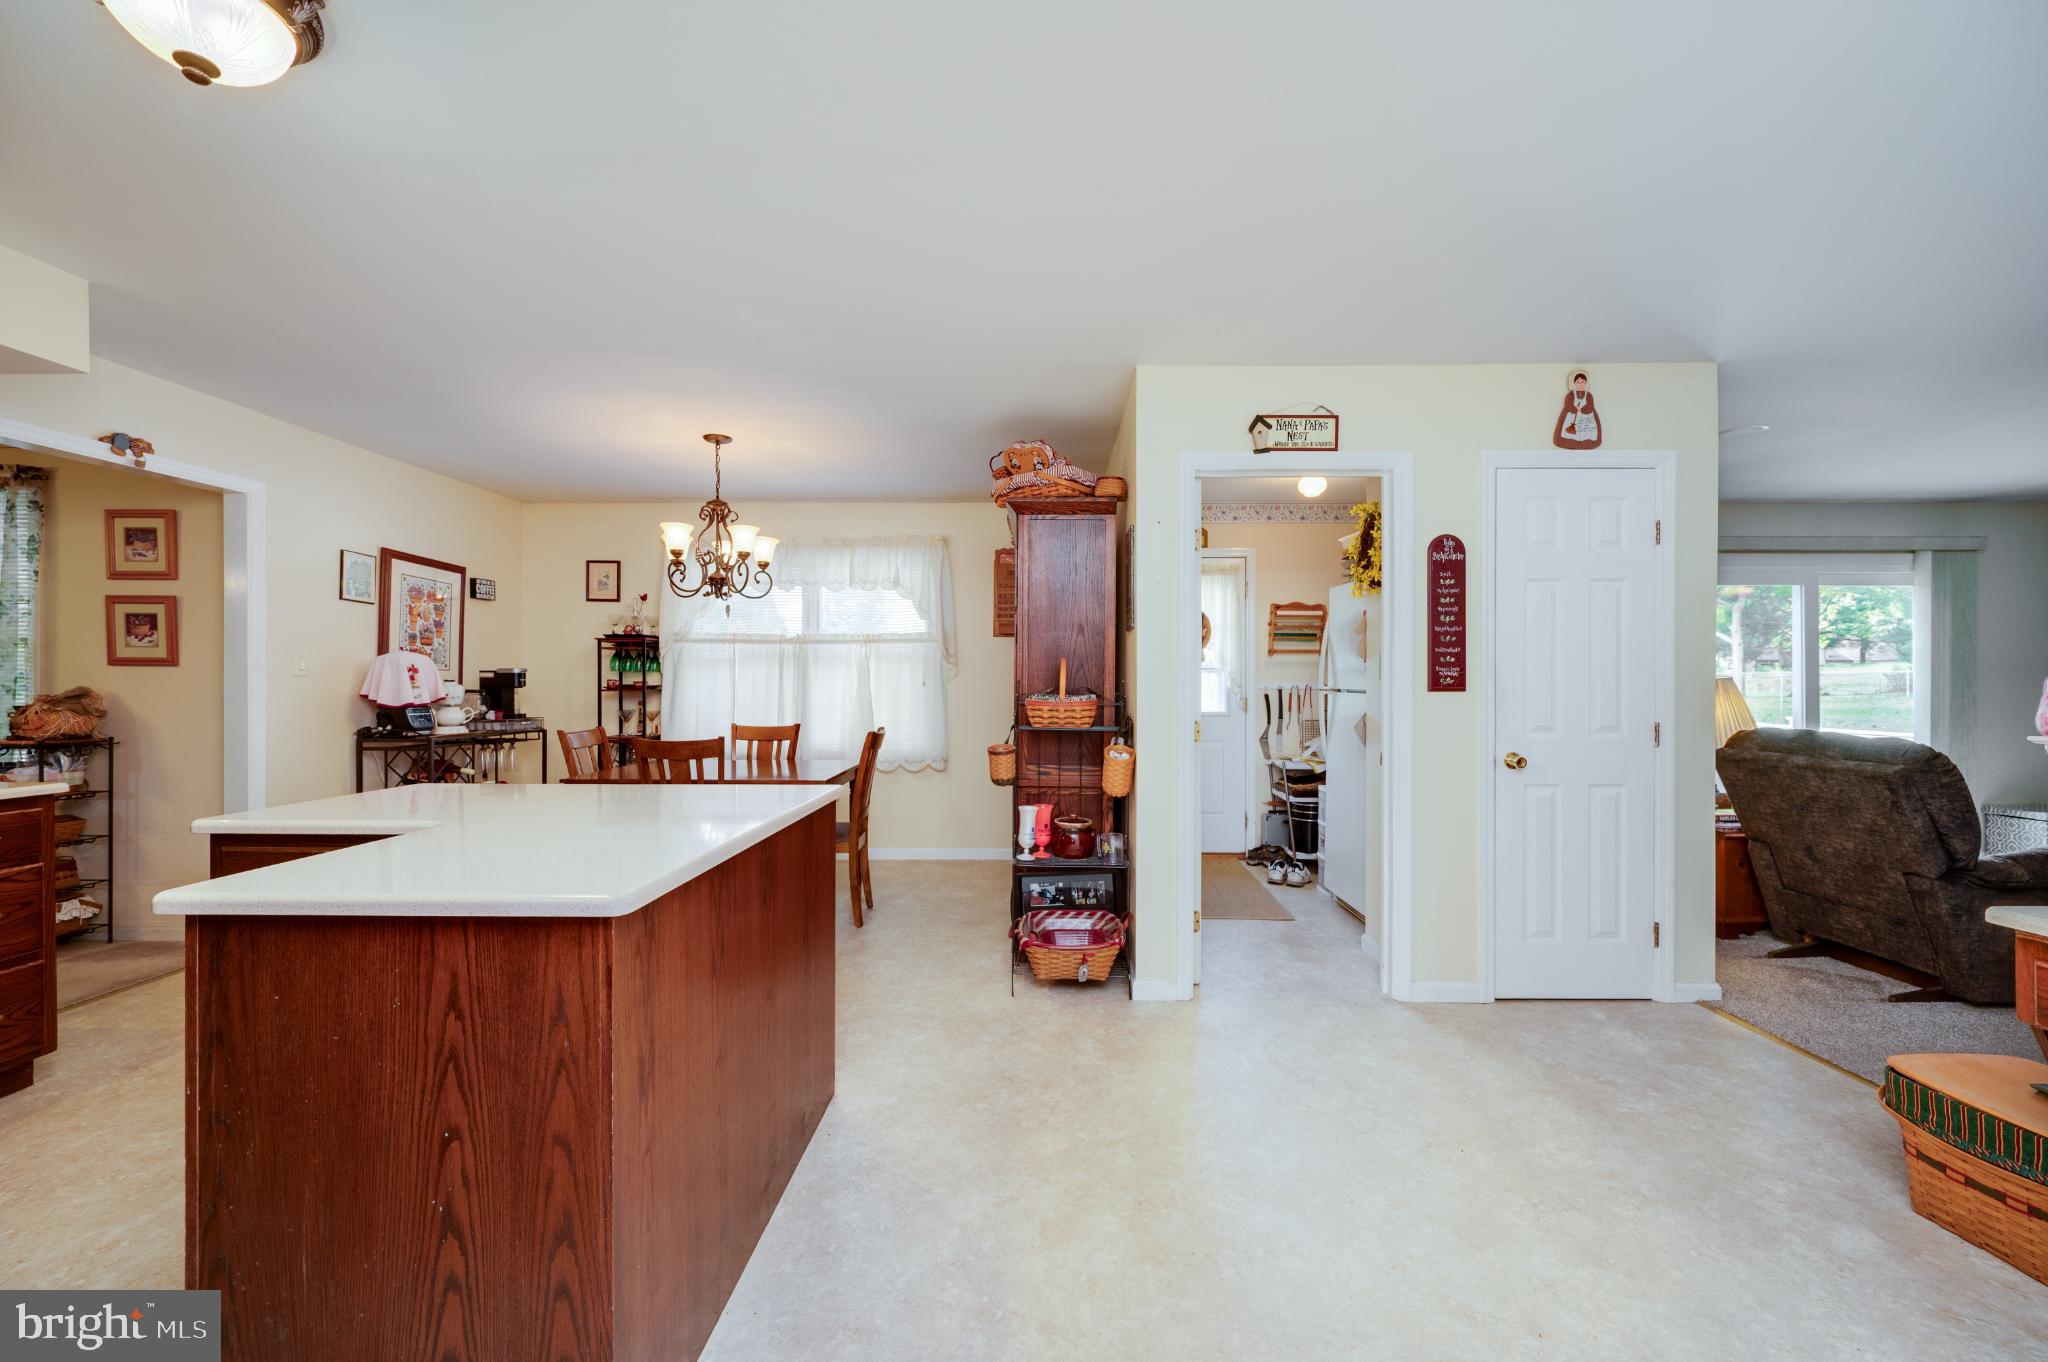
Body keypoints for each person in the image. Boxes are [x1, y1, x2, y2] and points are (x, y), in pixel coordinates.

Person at [1552, 371, 1602, 449]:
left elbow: (1590, 406)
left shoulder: (1589, 395)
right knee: (1568, 430)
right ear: (1574, 383)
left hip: (1586, 418)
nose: (1580, 384)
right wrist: (1575, 409)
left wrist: (1582, 410)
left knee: (1585, 431)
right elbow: (1568, 405)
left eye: (1583, 382)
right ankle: (1569, 440)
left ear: (1586, 383)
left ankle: (1586, 441)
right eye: (1578, 382)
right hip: (1571, 416)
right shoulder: (1570, 395)